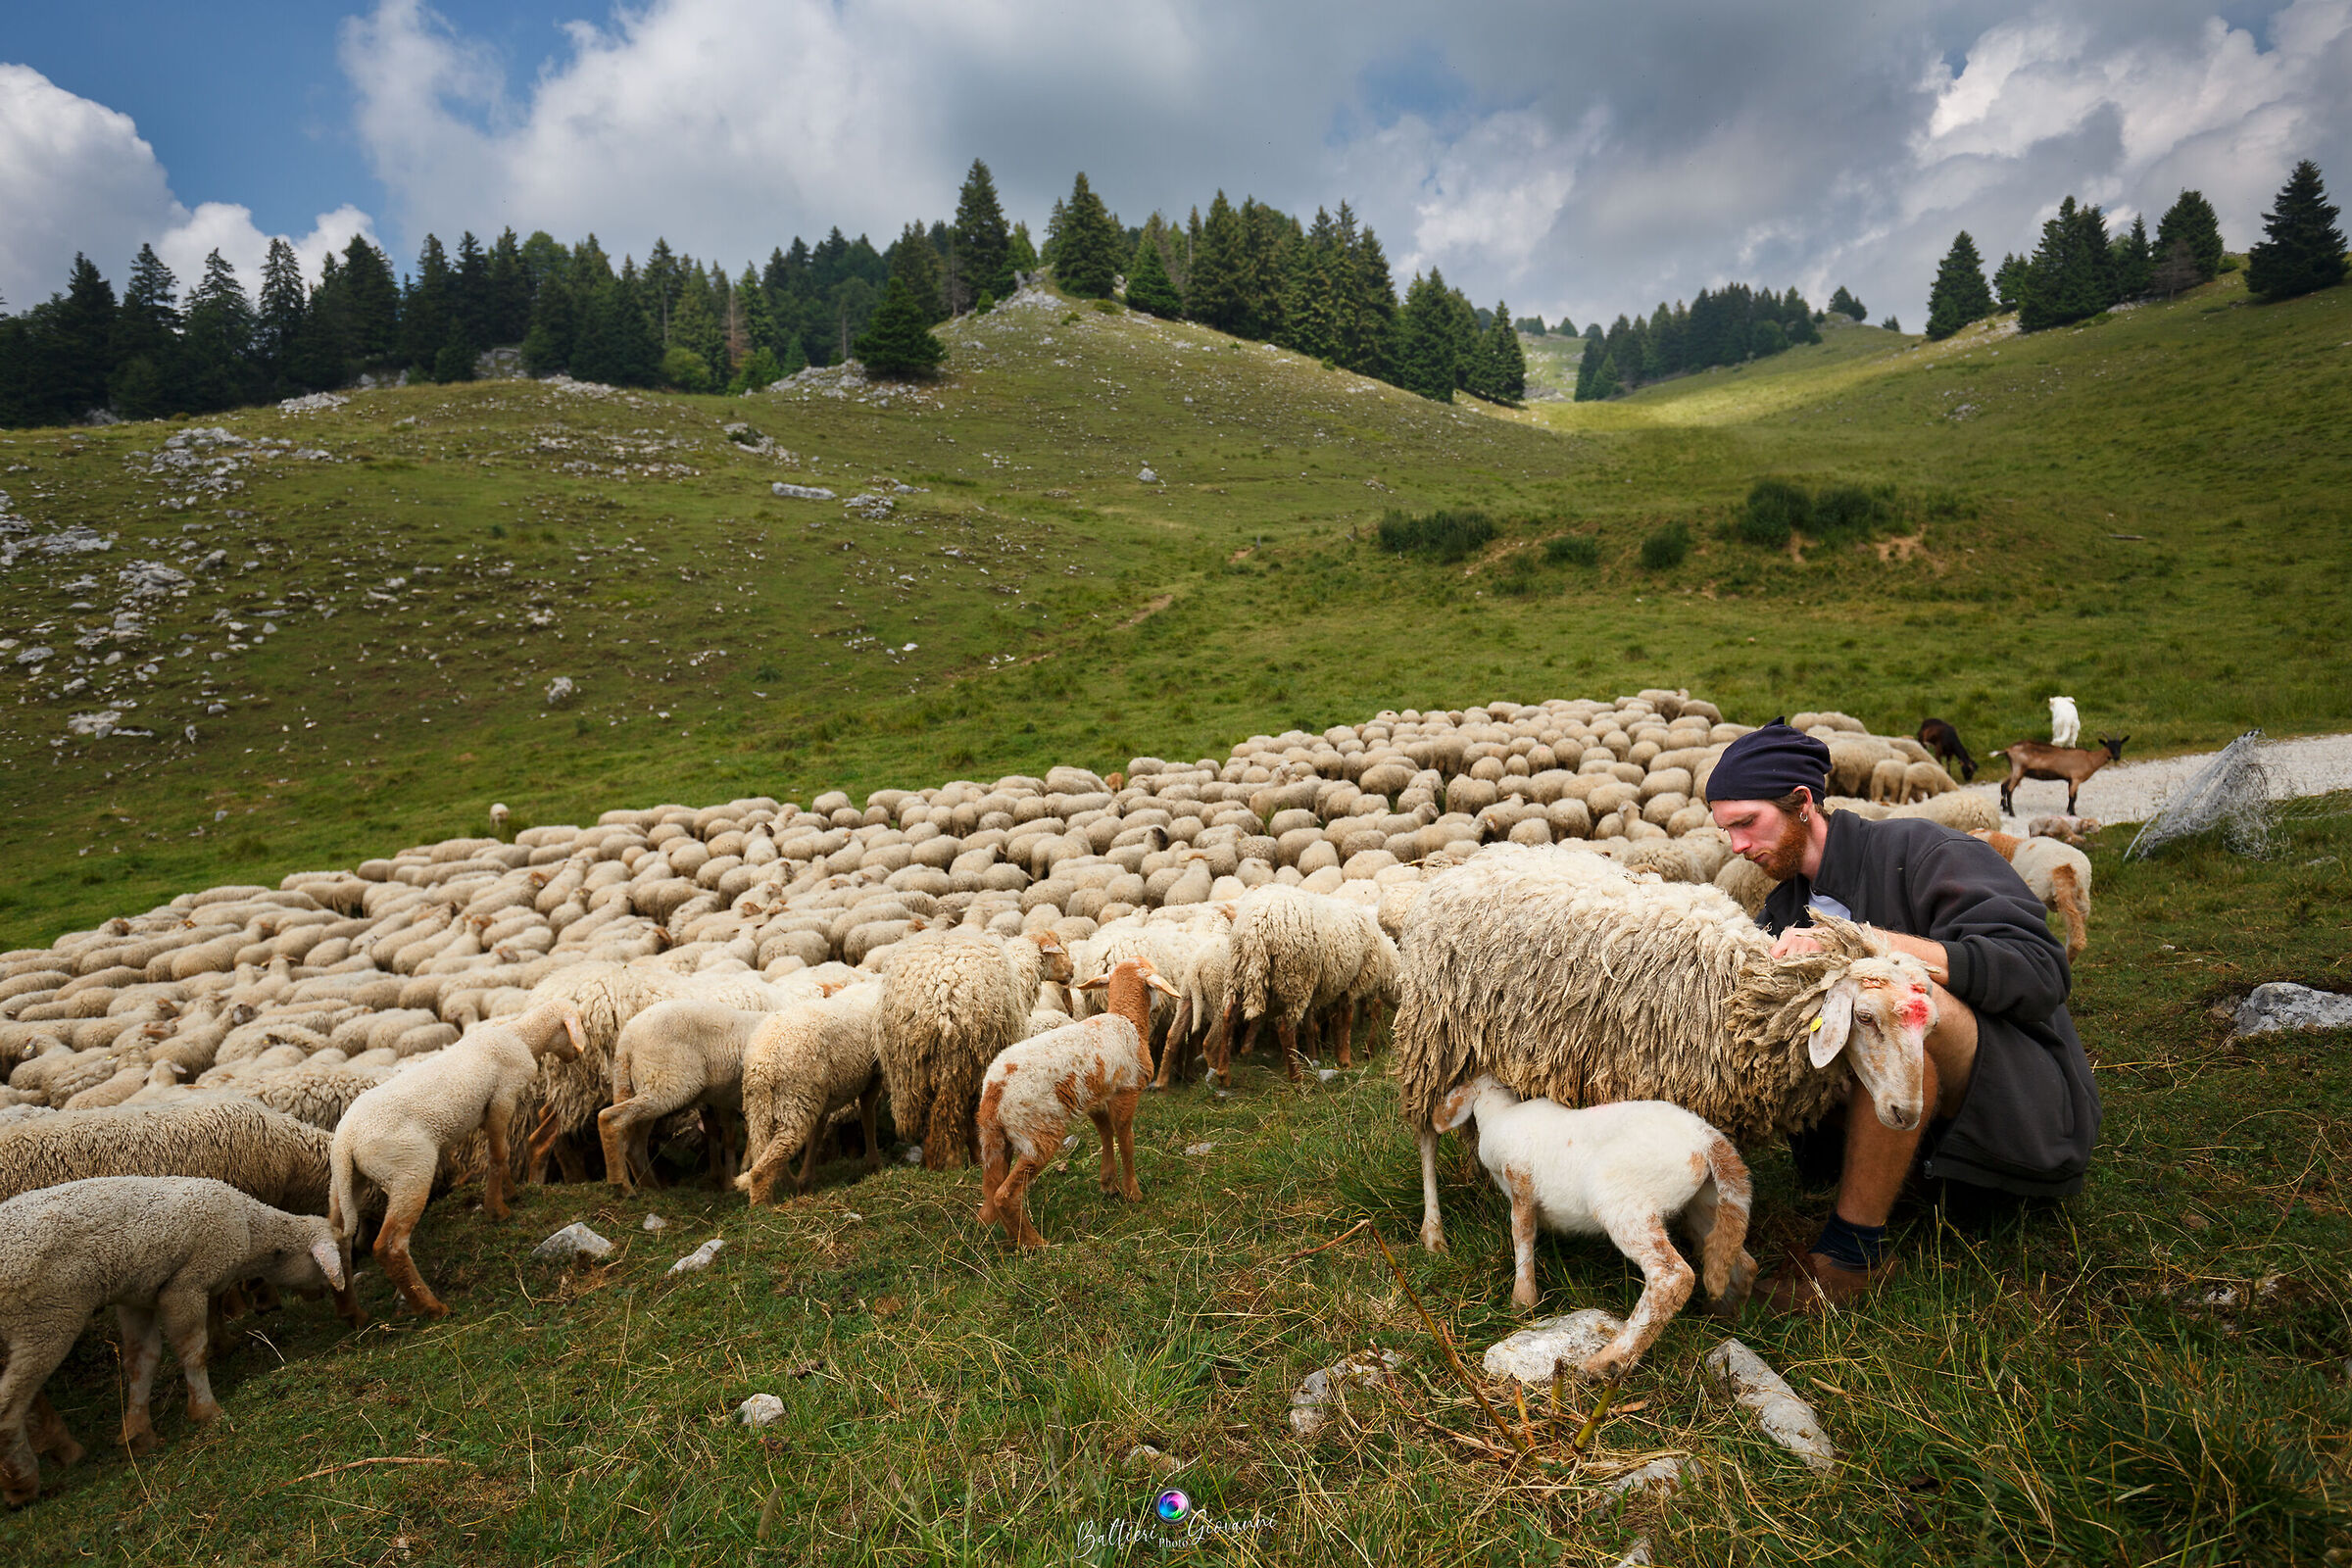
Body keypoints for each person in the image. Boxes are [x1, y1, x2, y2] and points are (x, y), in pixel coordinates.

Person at [1705, 720, 2099, 1311]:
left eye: (1746, 823)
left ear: (1803, 802)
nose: (1737, 845)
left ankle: (1850, 1258)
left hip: (2018, 1103)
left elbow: (2040, 968)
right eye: (1726, 830)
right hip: (1924, 1124)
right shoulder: (1784, 909)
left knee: (1887, 998)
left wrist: (1865, 942)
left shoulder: (1926, 851)